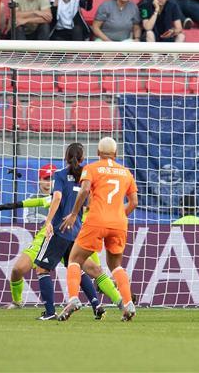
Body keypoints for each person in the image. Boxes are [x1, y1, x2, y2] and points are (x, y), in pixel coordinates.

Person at [0, 145, 120, 319]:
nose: (49, 181)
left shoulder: (61, 177)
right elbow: (88, 201)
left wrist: (48, 221)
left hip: (59, 231)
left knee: (42, 269)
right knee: (82, 268)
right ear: (83, 158)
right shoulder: (88, 176)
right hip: (80, 231)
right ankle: (104, 304)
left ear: (65, 157)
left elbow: (53, 199)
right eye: (45, 178)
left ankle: (50, 312)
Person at [57, 137, 137, 322]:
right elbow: (134, 202)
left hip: (96, 220)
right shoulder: (126, 172)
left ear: (98, 153)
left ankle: (73, 299)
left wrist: (75, 214)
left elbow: (84, 190)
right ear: (116, 154)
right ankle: (127, 303)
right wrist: (118, 215)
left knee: (75, 259)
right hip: (119, 223)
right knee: (115, 265)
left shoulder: (91, 168)